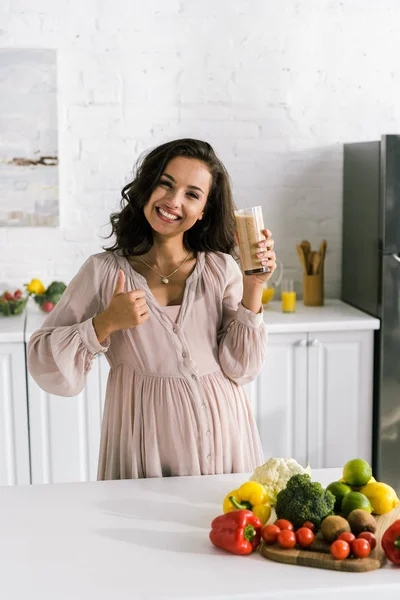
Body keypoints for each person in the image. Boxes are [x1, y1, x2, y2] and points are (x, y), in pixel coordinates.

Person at [28, 138, 277, 480]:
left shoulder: (220, 268)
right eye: (166, 184)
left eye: (192, 194)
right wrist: (104, 323)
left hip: (226, 433)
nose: (173, 202)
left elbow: (242, 368)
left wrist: (254, 287)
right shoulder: (103, 272)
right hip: (142, 441)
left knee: (224, 528)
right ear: (147, 187)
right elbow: (44, 361)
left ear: (204, 210)